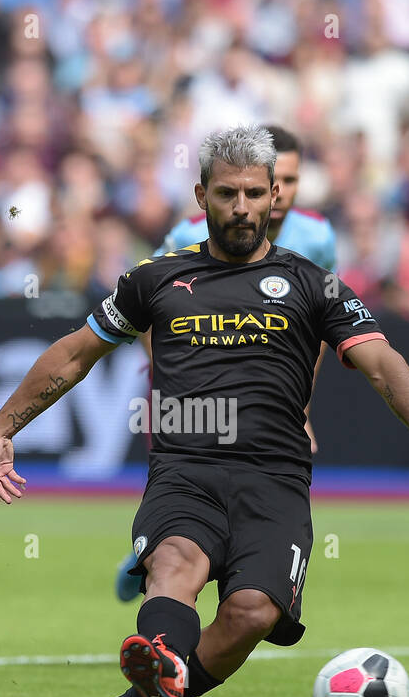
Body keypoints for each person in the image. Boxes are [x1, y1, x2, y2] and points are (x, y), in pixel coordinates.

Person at [0, 125, 409, 697]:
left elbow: (380, 362)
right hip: (184, 467)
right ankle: (155, 662)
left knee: (254, 611)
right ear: (201, 195)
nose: (243, 207)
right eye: (227, 193)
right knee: (174, 564)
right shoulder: (156, 278)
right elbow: (74, 354)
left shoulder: (314, 282)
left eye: (256, 192)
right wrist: (3, 427)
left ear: (275, 192)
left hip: (276, 477)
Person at [111, 124, 337, 600]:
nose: (284, 196)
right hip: (188, 381)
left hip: (262, 389)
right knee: (185, 468)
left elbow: (313, 332)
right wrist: (168, 371)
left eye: (291, 184)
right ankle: (155, 550)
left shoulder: (316, 238)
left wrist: (304, 409)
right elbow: (149, 304)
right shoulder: (187, 234)